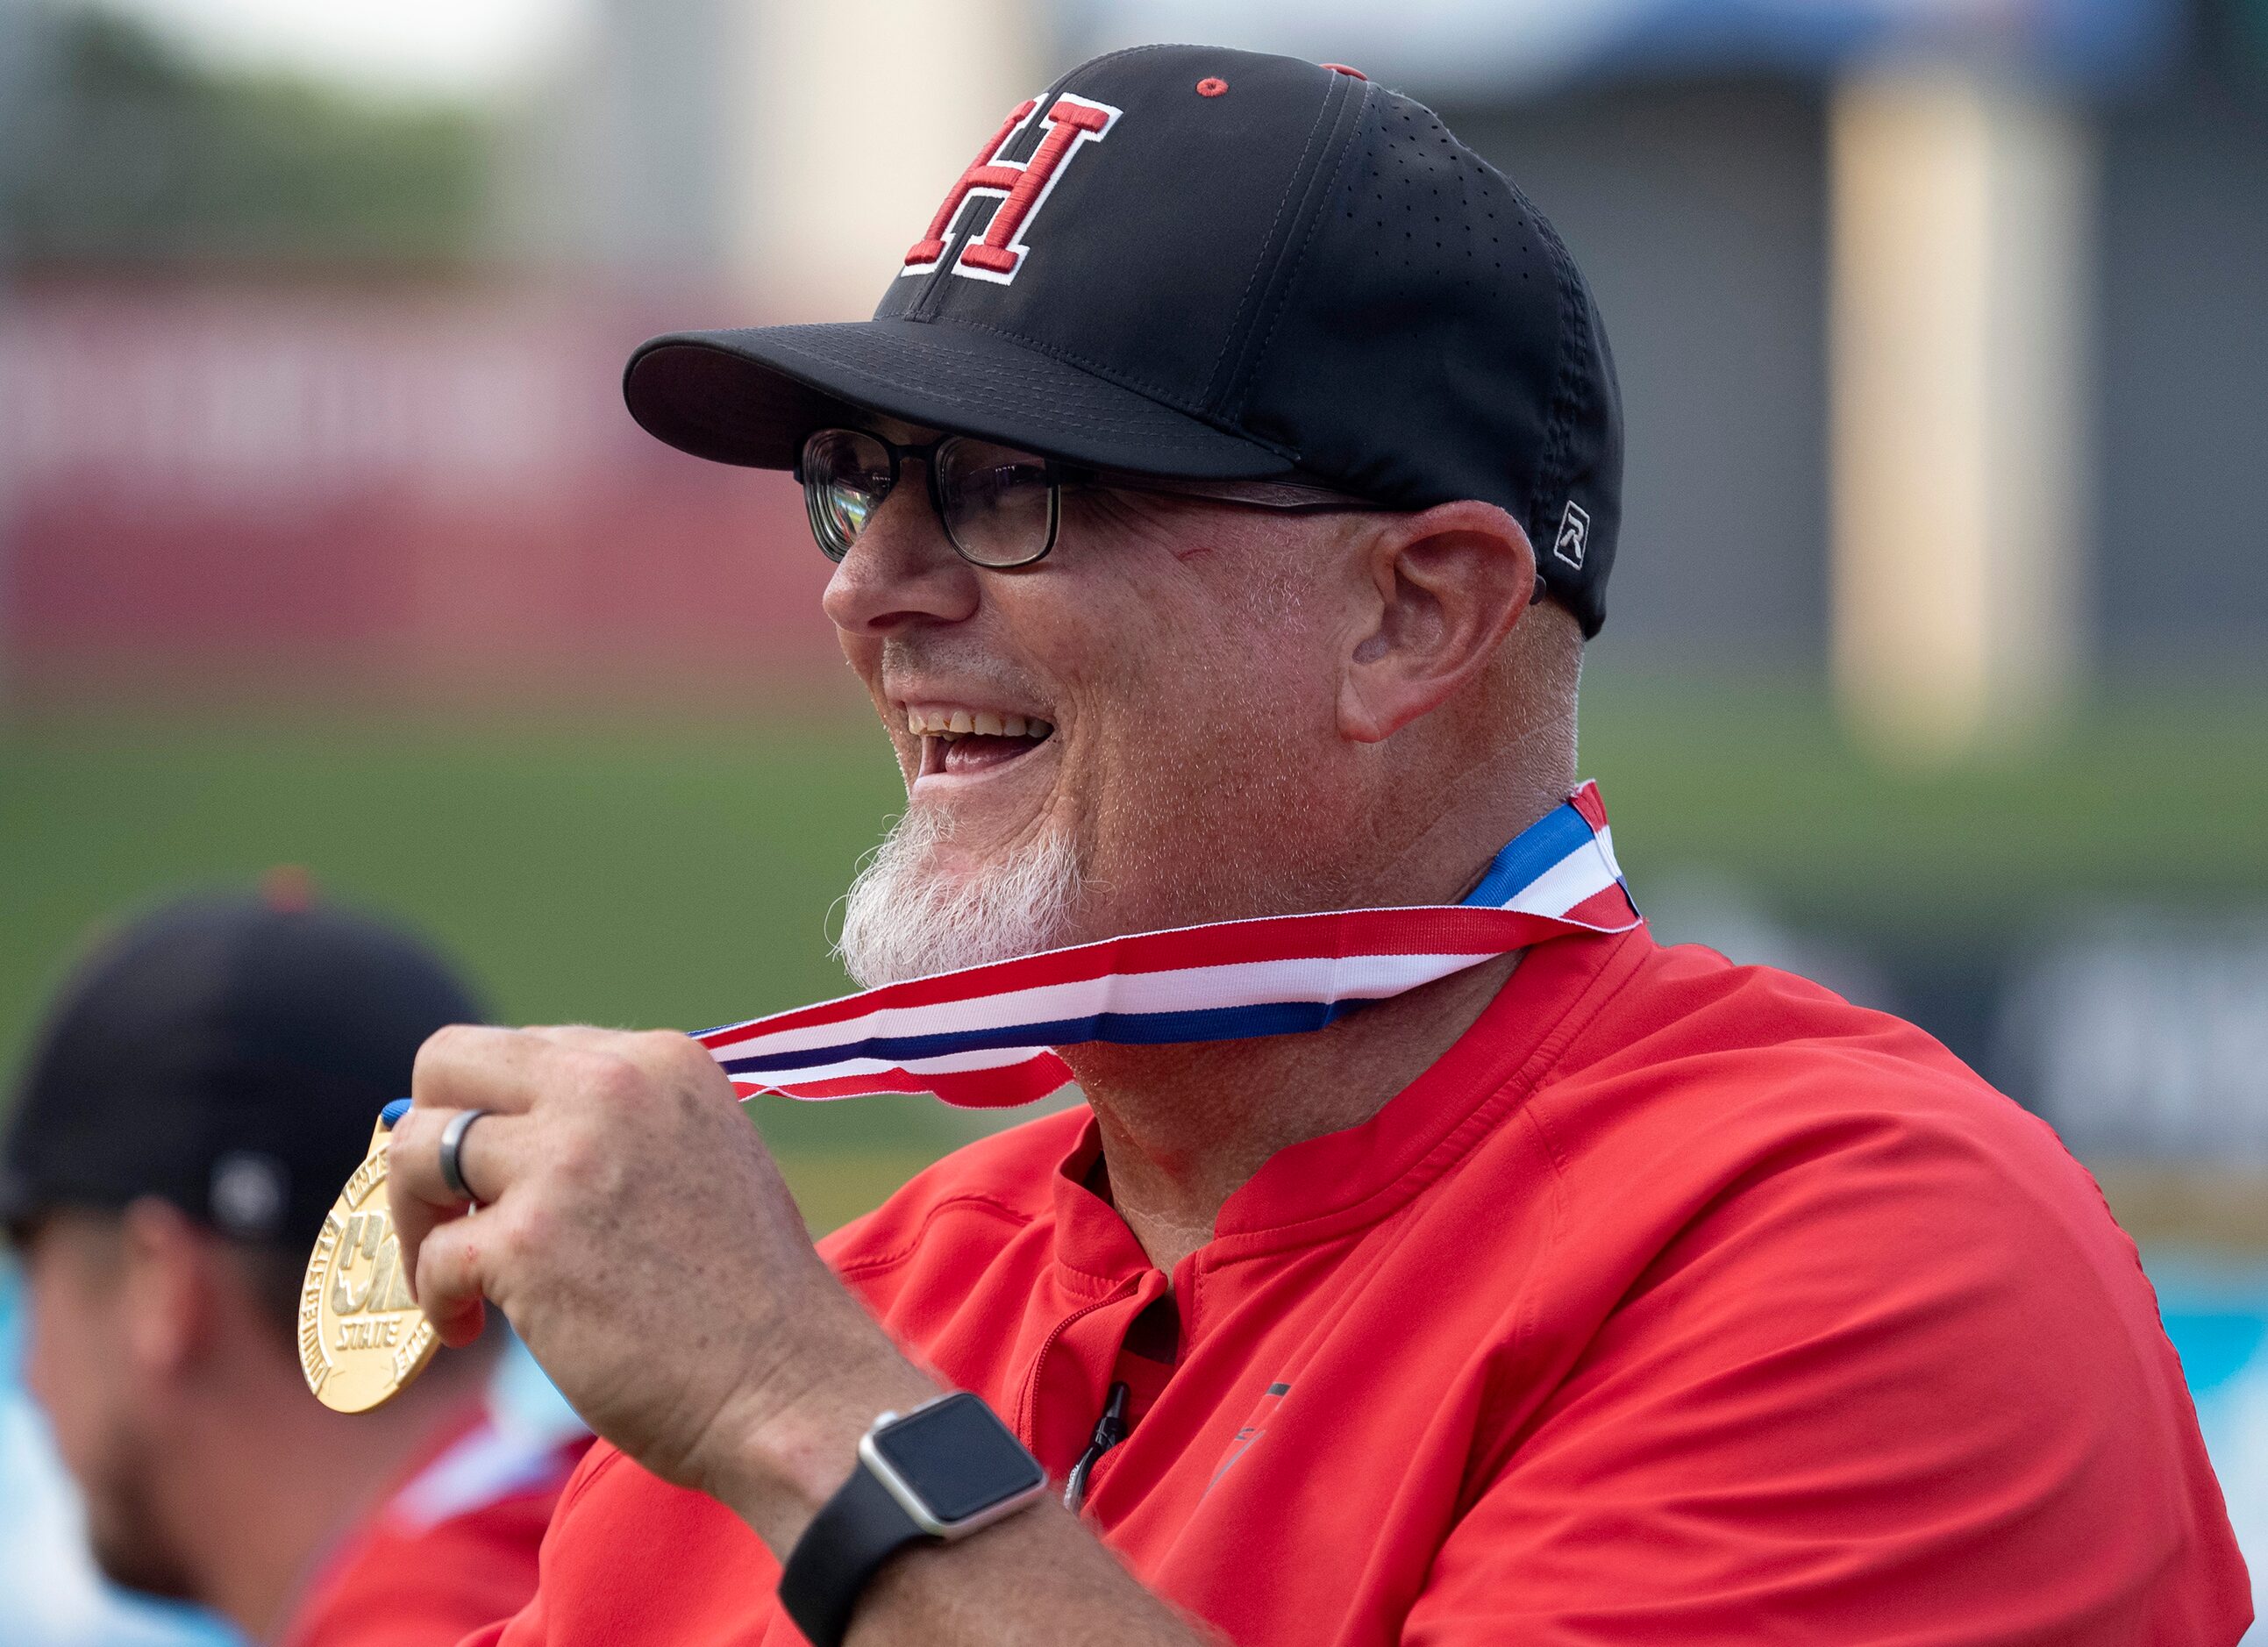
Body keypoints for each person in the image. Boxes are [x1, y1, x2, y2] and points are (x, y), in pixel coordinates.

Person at [383, 44, 2244, 1647]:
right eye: (859, 486)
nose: (869, 586)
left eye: (1006, 488)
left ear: (1414, 618)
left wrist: (795, 1413)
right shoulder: (886, 1291)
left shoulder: (1868, 1252)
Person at [1, 889, 588, 1646]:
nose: (30, 1378)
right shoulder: (646, 1526)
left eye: (35, 1282)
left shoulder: (404, 1623)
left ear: (160, 1287)